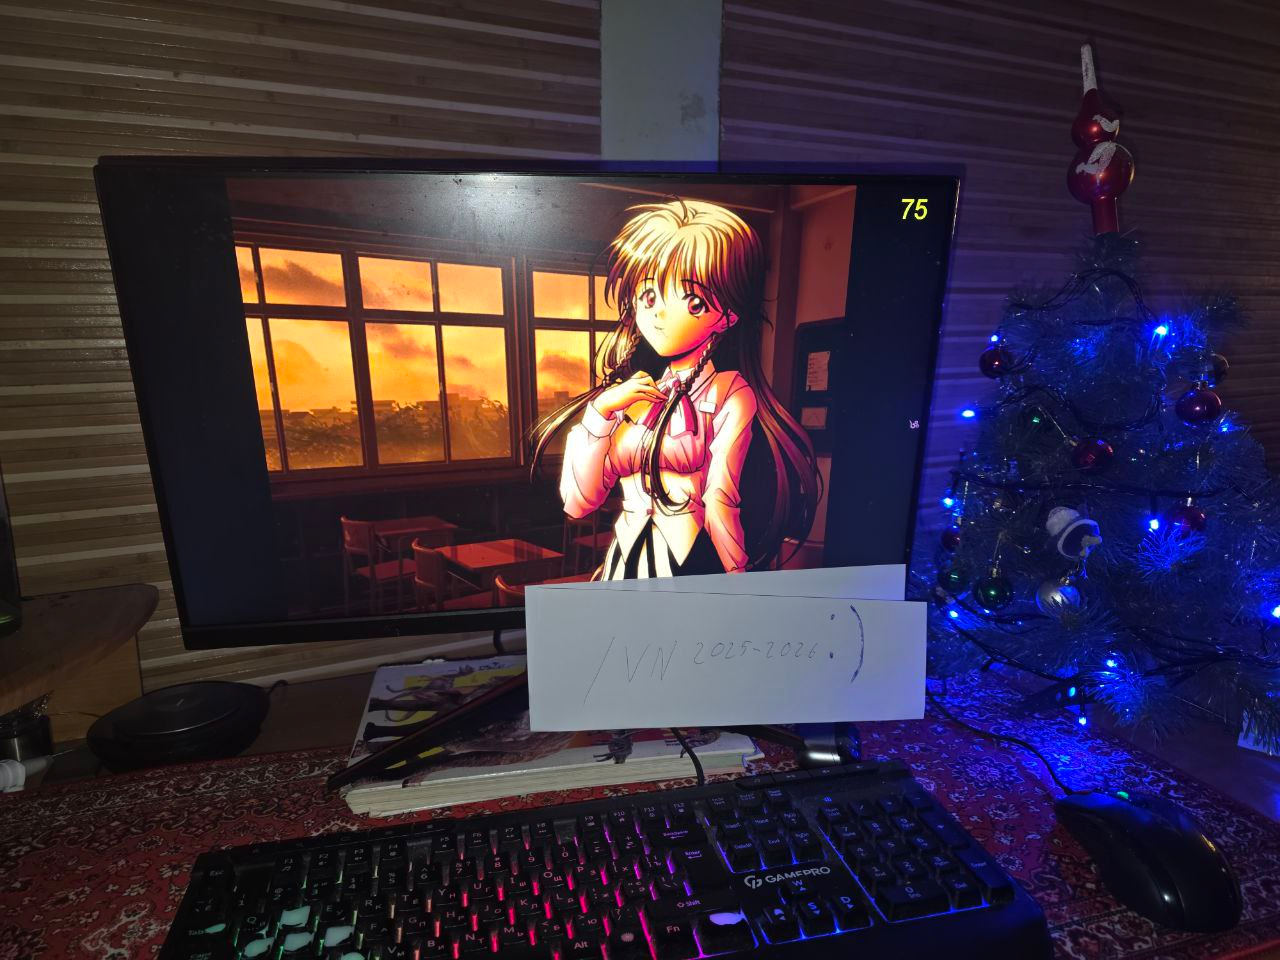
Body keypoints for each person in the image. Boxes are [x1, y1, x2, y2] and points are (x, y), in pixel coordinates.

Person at [532, 198, 819, 579]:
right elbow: (577, 502)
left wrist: (737, 578)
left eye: (693, 301)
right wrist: (599, 414)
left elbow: (721, 496)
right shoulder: (633, 394)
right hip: (623, 559)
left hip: (689, 560)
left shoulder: (729, 393)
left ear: (728, 315)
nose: (659, 313)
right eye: (649, 296)